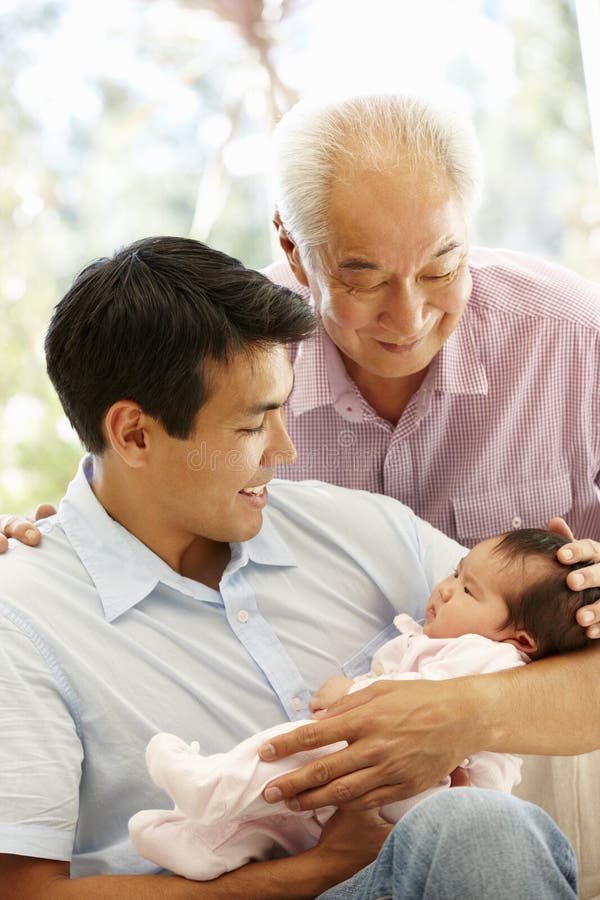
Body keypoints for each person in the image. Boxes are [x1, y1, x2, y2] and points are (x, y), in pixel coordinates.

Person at [0, 236, 578, 898]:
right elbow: (23, 891)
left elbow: (573, 661)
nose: (287, 449)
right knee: (477, 828)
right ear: (134, 434)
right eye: (253, 426)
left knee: (479, 827)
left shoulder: (363, 530)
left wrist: (471, 710)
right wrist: (314, 872)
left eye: (284, 408)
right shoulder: (21, 619)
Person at [128, 527, 598, 882]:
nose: (445, 588)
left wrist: (346, 697)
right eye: (455, 572)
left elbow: (410, 715)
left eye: (469, 590)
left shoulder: (489, 657)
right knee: (290, 816)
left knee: (294, 750)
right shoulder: (436, 639)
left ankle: (210, 786)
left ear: (519, 638)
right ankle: (211, 845)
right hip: (384, 817)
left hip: (427, 789)